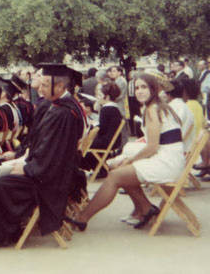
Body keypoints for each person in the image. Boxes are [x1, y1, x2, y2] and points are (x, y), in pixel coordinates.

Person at [0, 64, 85, 247]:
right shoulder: (61, 107)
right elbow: (49, 149)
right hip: (56, 174)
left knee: (2, 184)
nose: (40, 89)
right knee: (7, 178)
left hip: (50, 182)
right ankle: (10, 230)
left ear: (59, 87)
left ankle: (3, 235)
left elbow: (52, 154)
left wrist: (28, 168)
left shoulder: (62, 113)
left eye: (45, 85)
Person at [67, 74, 185, 231]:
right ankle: (145, 208)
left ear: (154, 89)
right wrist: (128, 160)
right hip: (170, 159)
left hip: (167, 163)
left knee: (116, 175)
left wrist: (130, 160)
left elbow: (152, 147)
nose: (140, 91)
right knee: (120, 170)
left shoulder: (152, 110)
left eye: (144, 87)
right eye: (137, 88)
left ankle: (83, 218)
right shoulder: (158, 106)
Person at [80, 82, 123, 177]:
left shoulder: (106, 109)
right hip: (113, 140)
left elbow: (102, 129)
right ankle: (101, 169)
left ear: (106, 97)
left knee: (84, 147)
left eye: (100, 95)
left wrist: (94, 125)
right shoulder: (114, 108)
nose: (98, 97)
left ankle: (100, 169)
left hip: (107, 141)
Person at [165, 80, 195, 154]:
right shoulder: (183, 106)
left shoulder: (172, 108)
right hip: (183, 148)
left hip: (177, 151)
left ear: (168, 94)